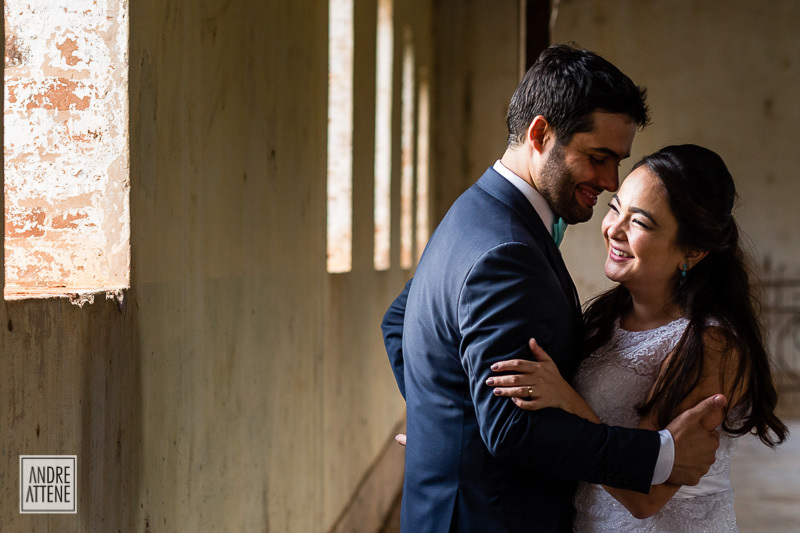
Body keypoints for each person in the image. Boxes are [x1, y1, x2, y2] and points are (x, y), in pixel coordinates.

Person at [381, 44, 727, 532]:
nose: (610, 181)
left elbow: (399, 317)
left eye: (618, 161)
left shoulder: (476, 212)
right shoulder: (506, 249)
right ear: (541, 134)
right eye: (598, 157)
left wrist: (442, 420)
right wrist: (662, 455)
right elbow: (513, 427)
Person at [488, 144, 788, 531]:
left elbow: (645, 496)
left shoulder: (711, 343)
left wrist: (567, 399)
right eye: (615, 208)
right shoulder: (604, 317)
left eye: (641, 223)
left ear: (693, 250)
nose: (613, 229)